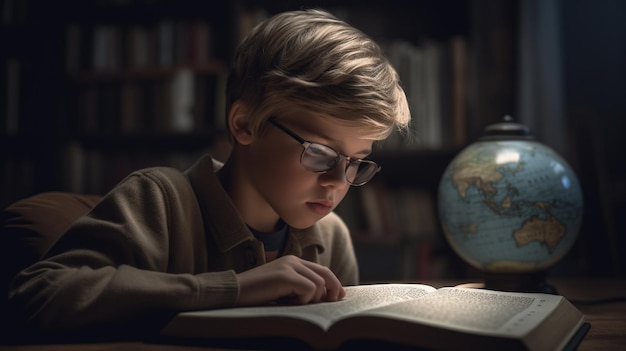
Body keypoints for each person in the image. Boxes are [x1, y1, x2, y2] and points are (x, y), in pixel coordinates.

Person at [7, 8, 410, 341]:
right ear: (246, 124)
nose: (339, 182)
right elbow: (34, 297)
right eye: (321, 153)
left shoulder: (330, 237)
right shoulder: (160, 200)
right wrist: (232, 289)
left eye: (356, 161)